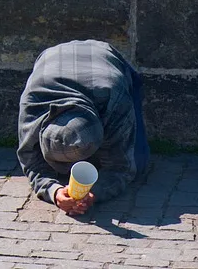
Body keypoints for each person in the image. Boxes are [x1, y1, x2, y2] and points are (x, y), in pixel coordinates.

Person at [17, 40, 149, 216]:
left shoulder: (115, 102)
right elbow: (32, 163)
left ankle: (96, 155)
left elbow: (121, 169)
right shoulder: (33, 103)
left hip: (105, 56)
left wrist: (95, 193)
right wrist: (54, 192)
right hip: (52, 57)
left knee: (138, 160)